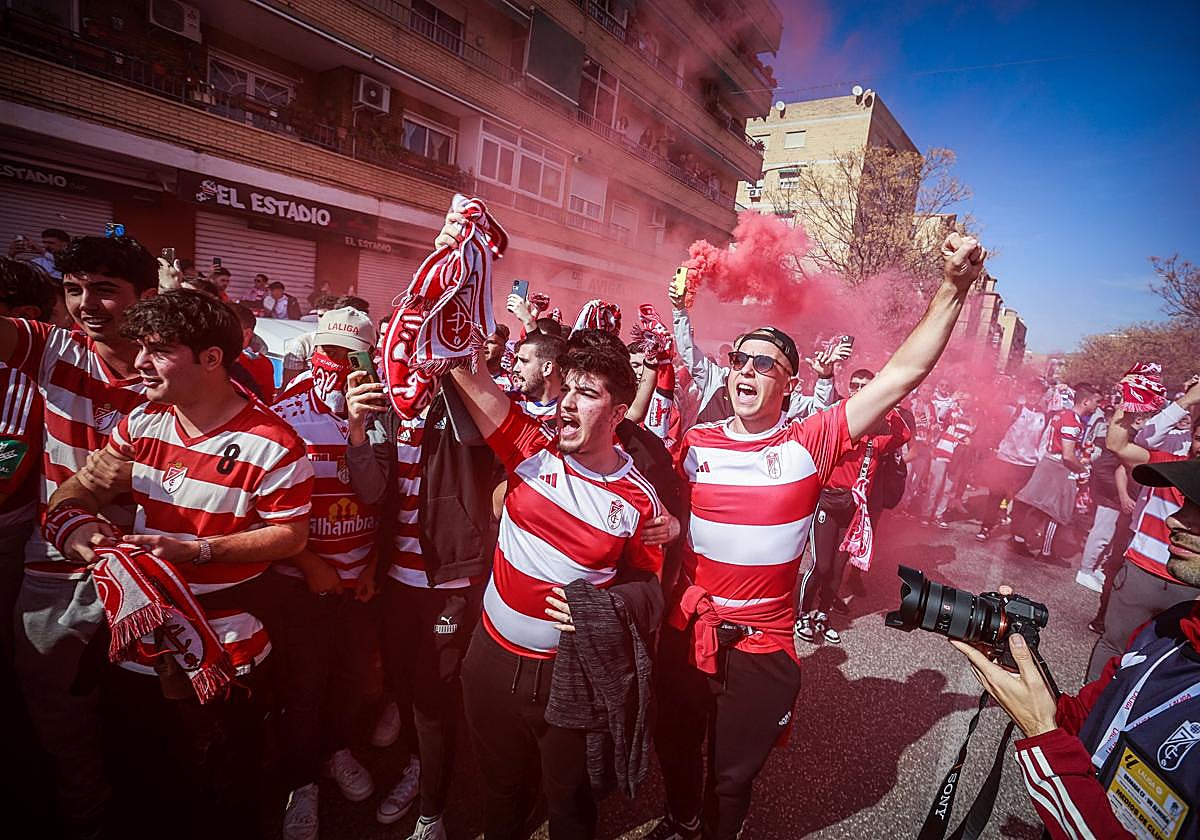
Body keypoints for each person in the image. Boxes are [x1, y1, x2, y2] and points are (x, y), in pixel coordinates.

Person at [648, 232, 988, 840]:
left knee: (730, 777)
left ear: (787, 383)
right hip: (686, 631)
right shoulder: (695, 444)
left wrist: (952, 288)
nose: (745, 371)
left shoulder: (811, 442)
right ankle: (682, 815)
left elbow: (903, 374)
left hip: (761, 645)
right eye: (738, 361)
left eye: (763, 365)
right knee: (673, 751)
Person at [47, 289, 314, 833]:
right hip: (137, 638)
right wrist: (78, 532)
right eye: (140, 347)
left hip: (228, 647)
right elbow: (79, 491)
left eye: (158, 350)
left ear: (211, 358)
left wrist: (198, 552)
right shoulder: (141, 422)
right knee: (142, 780)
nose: (140, 362)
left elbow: (290, 536)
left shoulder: (274, 443)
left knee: (224, 789)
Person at [440, 286, 665, 837]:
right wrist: (453, 273)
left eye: (585, 394)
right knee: (499, 794)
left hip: (568, 679)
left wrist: (608, 605)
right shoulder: (531, 448)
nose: (565, 402)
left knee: (570, 806)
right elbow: (464, 371)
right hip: (488, 662)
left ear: (617, 413)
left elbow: (651, 588)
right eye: (565, 388)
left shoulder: (639, 501)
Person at [950, 457, 1200, 840]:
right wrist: (1023, 676)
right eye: (1185, 503)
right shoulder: (1171, 626)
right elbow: (1089, 717)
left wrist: (1041, 734)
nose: (1175, 520)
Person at [1, 234, 157, 838]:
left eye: (104, 290)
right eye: (73, 289)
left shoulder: (179, 358)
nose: (86, 303)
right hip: (57, 562)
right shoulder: (50, 346)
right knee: (55, 703)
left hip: (156, 560)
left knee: (155, 705)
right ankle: (85, 813)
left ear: (146, 298)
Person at [269, 306, 383, 840]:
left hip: (358, 583)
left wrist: (373, 566)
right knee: (304, 690)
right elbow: (260, 508)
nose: (338, 365)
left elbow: (386, 501)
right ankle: (300, 783)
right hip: (302, 585)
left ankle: (336, 752)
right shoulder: (282, 414)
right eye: (329, 352)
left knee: (353, 681)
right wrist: (308, 563)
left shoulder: (383, 413)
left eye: (352, 354)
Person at [796, 368, 911, 645]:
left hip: (854, 509)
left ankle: (823, 615)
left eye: (865, 386)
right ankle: (802, 615)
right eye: (855, 384)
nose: (859, 389)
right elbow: (821, 416)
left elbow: (904, 434)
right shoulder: (841, 421)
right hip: (827, 503)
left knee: (837, 569)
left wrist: (888, 403)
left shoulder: (880, 436)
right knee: (821, 566)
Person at [1086, 406, 1200, 681]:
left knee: (1168, 663)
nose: (1176, 521)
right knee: (1114, 646)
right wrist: (1183, 400)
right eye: (1199, 437)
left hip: (1188, 588)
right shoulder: (1168, 464)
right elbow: (1118, 444)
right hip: (1141, 573)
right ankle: (1086, 712)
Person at [1012, 384, 1102, 557]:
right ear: (1085, 401)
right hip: (1058, 467)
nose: (1098, 406)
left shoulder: (1063, 414)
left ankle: (1020, 541)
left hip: (1051, 463)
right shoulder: (1072, 420)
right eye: (1096, 402)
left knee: (1040, 507)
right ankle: (1044, 552)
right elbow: (1068, 455)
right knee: (1057, 512)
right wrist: (1083, 471)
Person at [976, 380, 1047, 541]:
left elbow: (1043, 443)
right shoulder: (1014, 409)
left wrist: (1039, 463)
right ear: (1025, 393)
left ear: (1042, 395)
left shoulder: (1045, 417)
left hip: (1027, 465)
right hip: (1005, 460)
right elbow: (992, 409)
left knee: (1021, 501)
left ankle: (1015, 535)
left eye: (1037, 392)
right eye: (1031, 391)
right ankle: (986, 527)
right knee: (995, 496)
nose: (1033, 395)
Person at [509, 330, 566, 425]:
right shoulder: (508, 402)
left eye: (524, 361)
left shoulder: (572, 410)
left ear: (547, 368)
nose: (516, 368)